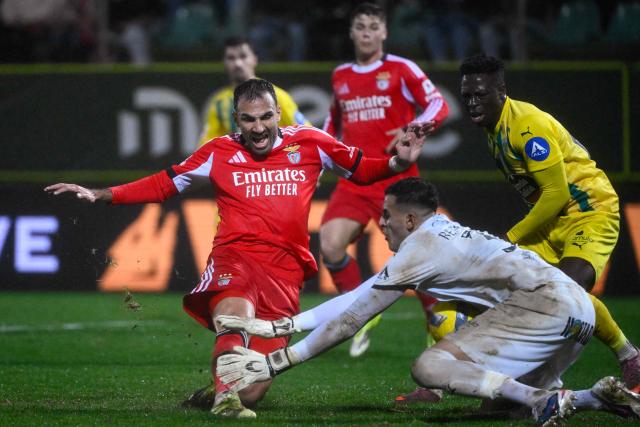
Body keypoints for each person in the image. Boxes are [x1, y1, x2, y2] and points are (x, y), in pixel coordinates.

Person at [44, 78, 426, 419]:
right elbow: (165, 184)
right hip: (235, 257)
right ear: (236, 119)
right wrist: (101, 194)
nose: (258, 128)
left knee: (254, 390)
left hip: (286, 271)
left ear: (278, 113)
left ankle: (219, 390)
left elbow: (362, 168)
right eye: (248, 119)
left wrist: (397, 161)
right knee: (235, 317)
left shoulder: (311, 143)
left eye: (264, 117)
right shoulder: (219, 151)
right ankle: (226, 399)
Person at [214, 178, 640, 425]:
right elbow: (357, 295)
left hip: (543, 307)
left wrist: (276, 362)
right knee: (498, 409)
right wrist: (282, 327)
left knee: (428, 367)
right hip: (578, 311)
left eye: (386, 215)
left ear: (410, 219)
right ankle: (592, 398)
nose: (380, 223)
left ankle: (537, 399)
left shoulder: (419, 247)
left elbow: (350, 321)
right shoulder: (444, 233)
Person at [457, 53, 639, 391]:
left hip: (589, 210)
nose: (471, 102)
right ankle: (531, 377)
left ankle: (628, 358)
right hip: (552, 220)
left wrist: (509, 237)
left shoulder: (527, 127)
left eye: (480, 94)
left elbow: (555, 195)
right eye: (466, 95)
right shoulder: (494, 126)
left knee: (565, 289)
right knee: (501, 280)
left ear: (502, 90)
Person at [319, 2, 449, 359]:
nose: (366, 32)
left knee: (420, 262)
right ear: (351, 32)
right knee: (330, 245)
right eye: (360, 25)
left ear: (384, 32)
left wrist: (416, 126)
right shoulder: (341, 75)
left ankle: (438, 329)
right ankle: (361, 313)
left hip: (398, 180)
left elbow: (438, 104)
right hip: (356, 178)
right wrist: (321, 160)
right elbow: (333, 125)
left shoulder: (401, 69)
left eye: (373, 26)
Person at [199, 36, 309, 144]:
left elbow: (306, 133)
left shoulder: (276, 96)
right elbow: (206, 145)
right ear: (224, 63)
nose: (238, 63)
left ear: (255, 59)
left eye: (243, 56)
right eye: (231, 58)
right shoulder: (219, 102)